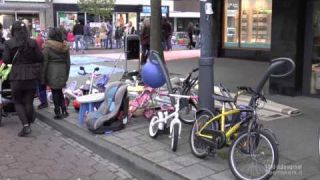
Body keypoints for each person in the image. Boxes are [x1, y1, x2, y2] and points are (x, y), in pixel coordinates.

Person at [3, 21, 43, 137]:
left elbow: (6, 60)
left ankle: (26, 126)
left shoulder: (9, 43)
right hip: (31, 75)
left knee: (18, 102)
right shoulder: (33, 42)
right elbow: (40, 58)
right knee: (28, 101)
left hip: (16, 76)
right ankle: (29, 123)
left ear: (13, 31)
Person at [42, 28, 70, 119]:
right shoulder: (65, 46)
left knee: (55, 92)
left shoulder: (47, 47)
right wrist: (66, 75)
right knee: (59, 91)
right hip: (62, 71)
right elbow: (68, 63)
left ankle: (57, 112)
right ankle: (64, 110)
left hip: (52, 71)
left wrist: (42, 77)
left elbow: (44, 63)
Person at [35, 33, 48, 109]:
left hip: (39, 73)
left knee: (40, 88)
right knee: (42, 87)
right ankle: (44, 101)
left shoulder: (37, 53)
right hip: (44, 73)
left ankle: (44, 102)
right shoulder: (45, 51)